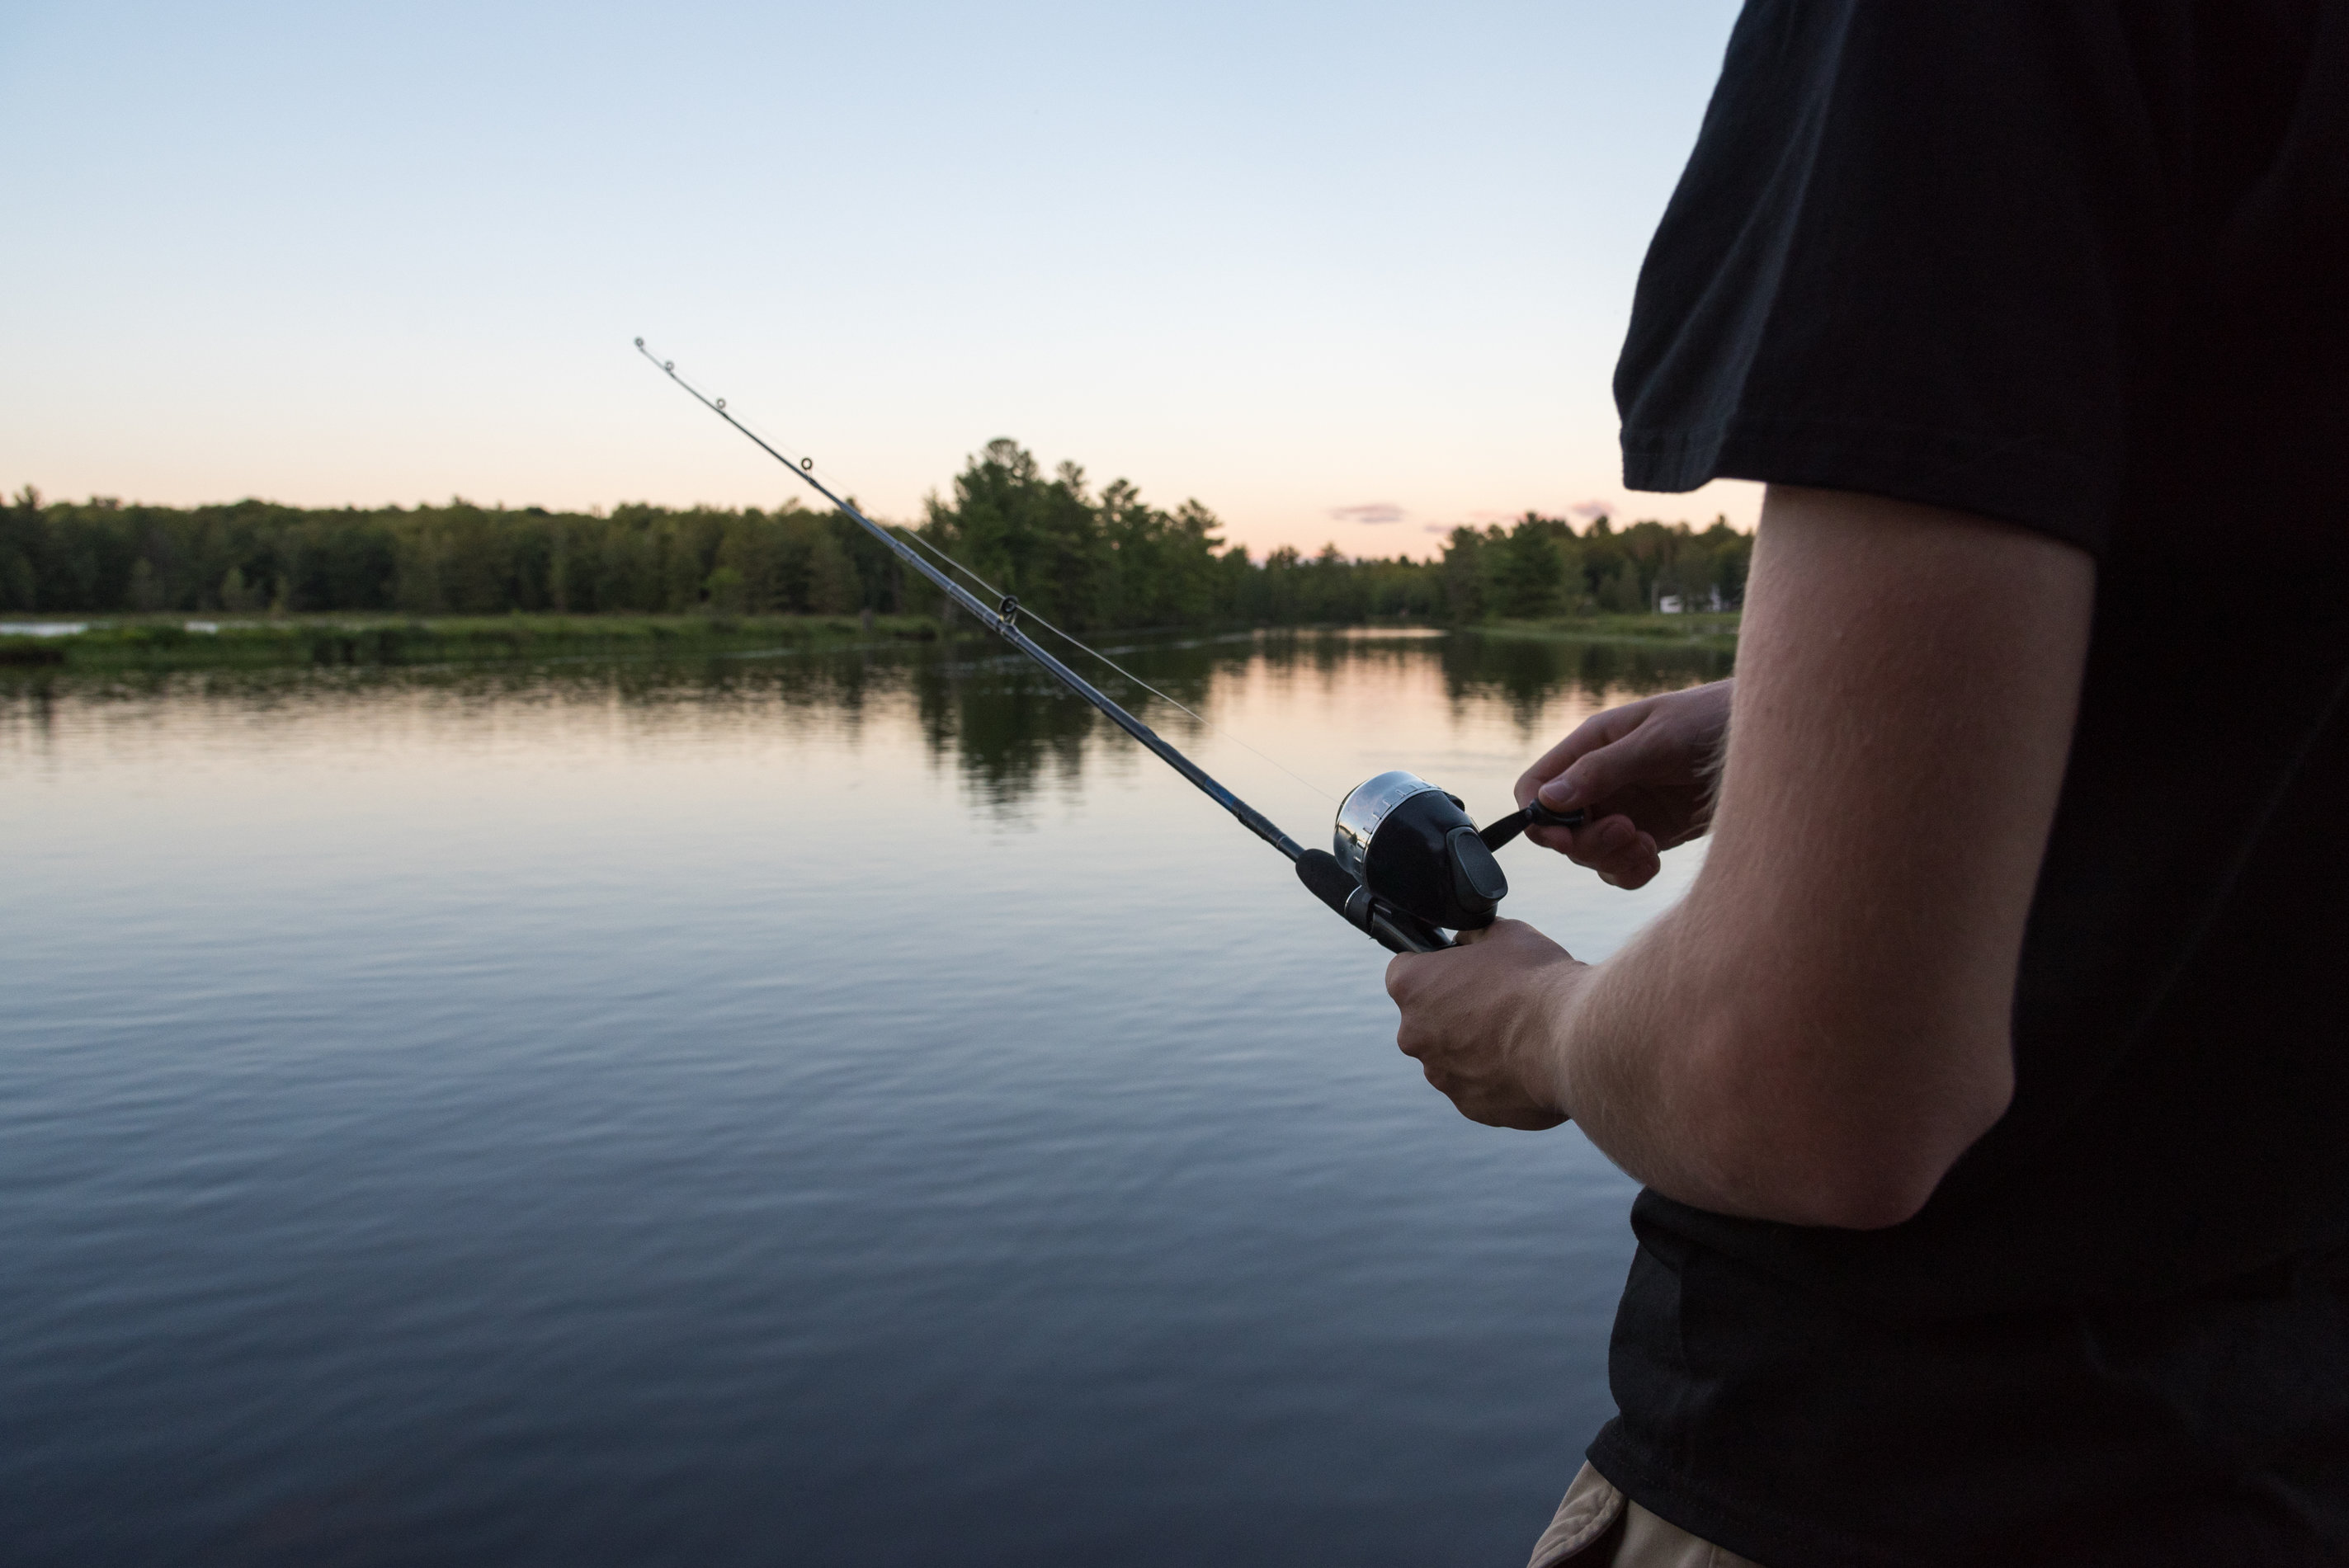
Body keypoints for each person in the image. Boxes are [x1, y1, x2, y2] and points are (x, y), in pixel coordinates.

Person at [1383, 3, 2349, 1564]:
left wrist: (1539, 1022)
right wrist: (1786, 712)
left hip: (1885, 1477)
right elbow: (2257, 654)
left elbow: (1820, 1080)